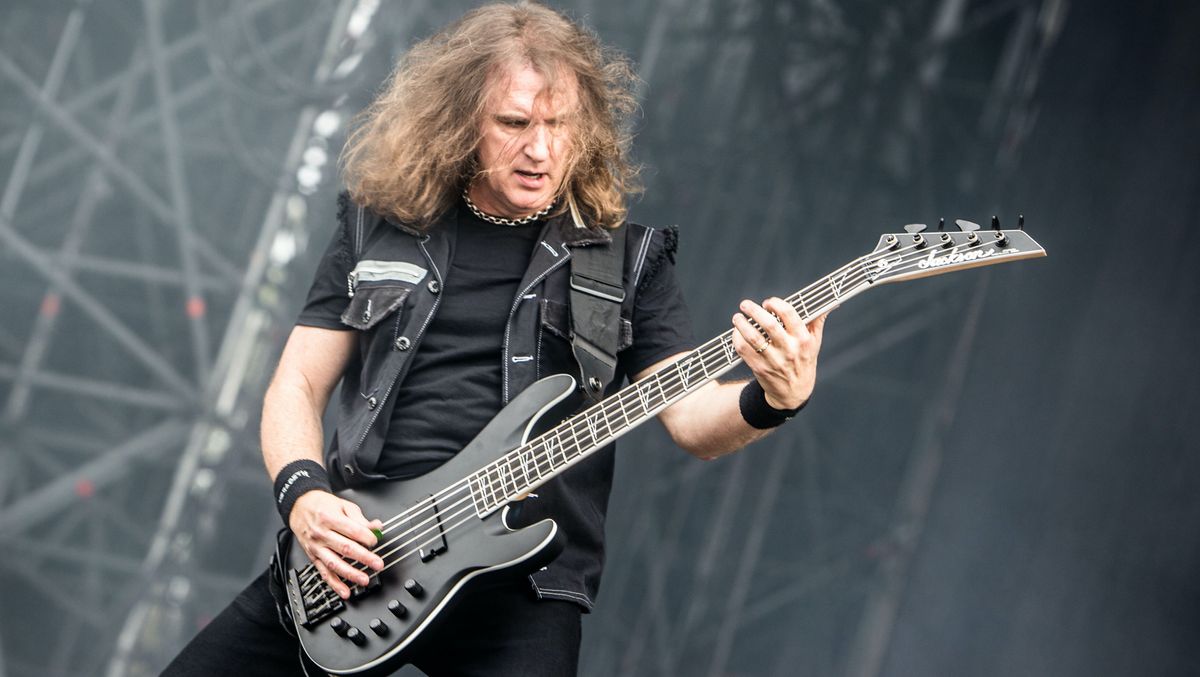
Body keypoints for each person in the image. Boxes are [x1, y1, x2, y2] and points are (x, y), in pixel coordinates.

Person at [165, 2, 825, 675]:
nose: (540, 149)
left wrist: (775, 397)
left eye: (559, 125)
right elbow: (297, 384)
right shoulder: (378, 227)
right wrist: (304, 497)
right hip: (357, 555)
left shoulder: (628, 264)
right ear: (460, 125)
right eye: (514, 124)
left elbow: (691, 417)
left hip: (521, 584)